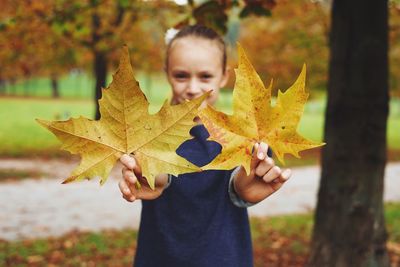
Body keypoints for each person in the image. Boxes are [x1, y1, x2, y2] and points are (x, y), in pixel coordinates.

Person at [118, 25, 292, 267]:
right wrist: (151, 175)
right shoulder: (147, 135)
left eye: (205, 77)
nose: (192, 88)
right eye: (181, 76)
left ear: (224, 76)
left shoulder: (246, 138)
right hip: (159, 257)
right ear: (166, 72)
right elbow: (158, 176)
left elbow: (241, 181)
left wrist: (243, 188)